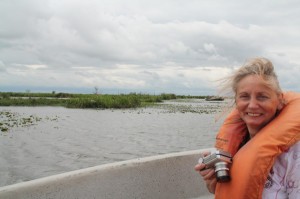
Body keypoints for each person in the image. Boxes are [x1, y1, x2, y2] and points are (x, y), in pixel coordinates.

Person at [195, 57, 300, 198]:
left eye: (262, 97)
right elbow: (220, 191)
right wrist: (212, 181)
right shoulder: (232, 147)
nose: (252, 105)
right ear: (236, 101)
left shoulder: (295, 155)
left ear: (280, 101)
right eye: (244, 96)